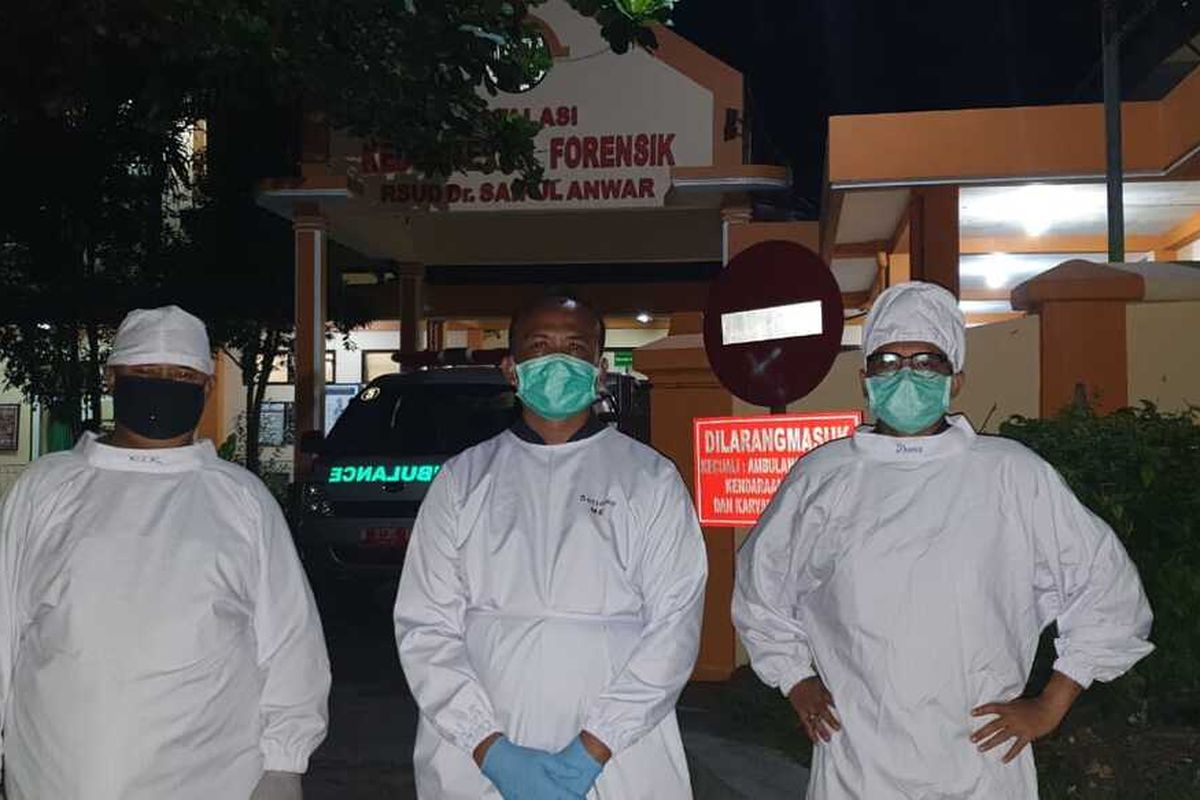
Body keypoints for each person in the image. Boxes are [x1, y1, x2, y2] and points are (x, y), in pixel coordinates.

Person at [732, 281, 1153, 799]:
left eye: (927, 362)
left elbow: (1108, 592)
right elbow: (761, 592)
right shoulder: (824, 479)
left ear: (956, 381)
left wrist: (1049, 705)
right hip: (859, 761)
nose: (907, 375)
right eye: (888, 361)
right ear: (865, 378)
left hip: (981, 760)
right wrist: (795, 679)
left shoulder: (1012, 476)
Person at [0, 306, 330, 800]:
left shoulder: (240, 499)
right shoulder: (47, 489)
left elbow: (288, 641)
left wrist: (284, 764)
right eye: (146, 374)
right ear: (112, 379)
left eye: (181, 375)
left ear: (207, 388)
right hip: (56, 773)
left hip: (210, 776)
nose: (164, 385)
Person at [395, 293, 707, 800]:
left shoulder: (649, 479)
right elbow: (424, 624)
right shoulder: (463, 480)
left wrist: (595, 746)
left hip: (618, 749)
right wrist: (487, 745)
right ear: (511, 369)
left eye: (576, 348)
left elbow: (675, 626)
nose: (558, 361)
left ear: (600, 370)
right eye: (539, 347)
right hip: (479, 745)